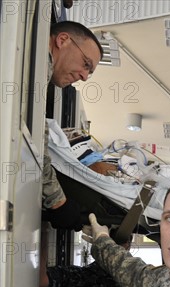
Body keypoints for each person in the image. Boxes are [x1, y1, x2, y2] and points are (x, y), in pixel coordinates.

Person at [42, 21, 103, 230]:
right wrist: (58, 202)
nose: (84, 77)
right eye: (86, 64)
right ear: (62, 40)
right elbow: (33, 144)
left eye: (90, 72)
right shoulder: (36, 66)